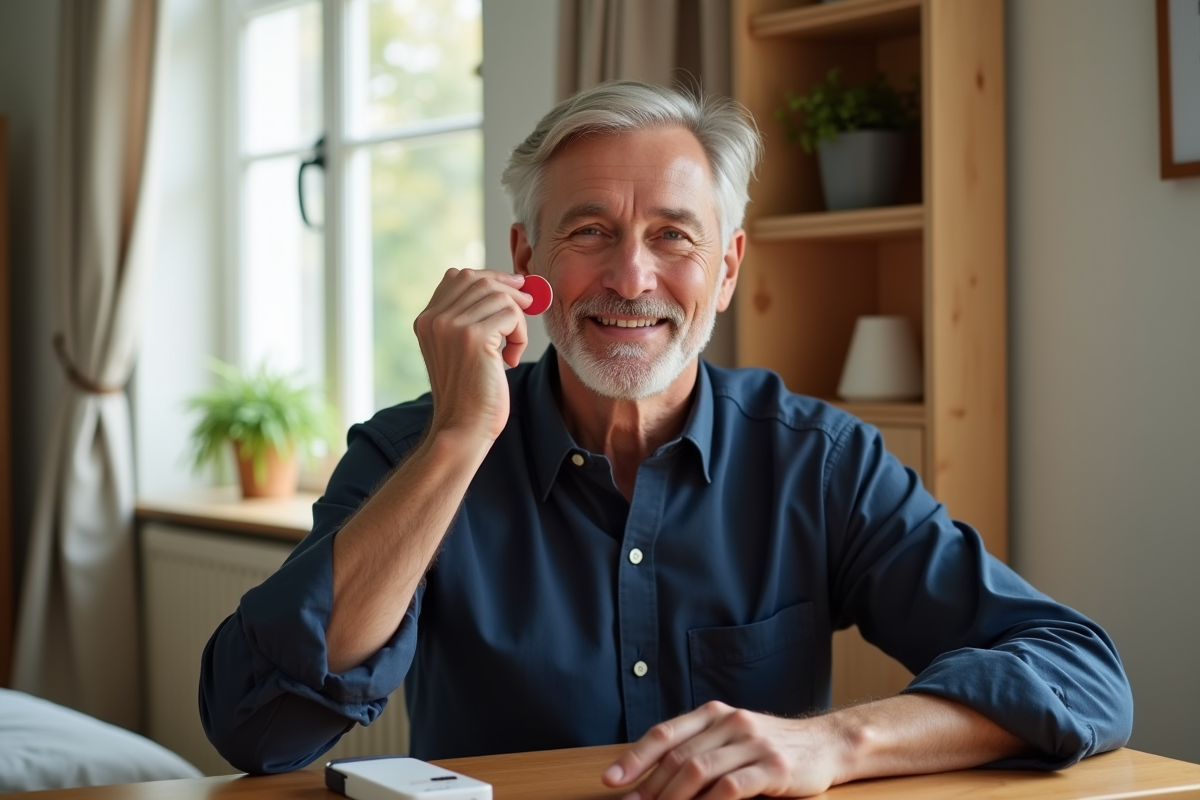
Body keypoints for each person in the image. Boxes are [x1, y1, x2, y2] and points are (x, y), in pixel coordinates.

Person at [200, 80, 1132, 799]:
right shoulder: (410, 450)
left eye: (674, 235)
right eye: (591, 230)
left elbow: (1079, 674)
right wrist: (459, 440)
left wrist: (834, 742)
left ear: (725, 270)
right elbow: (260, 727)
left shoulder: (819, 461)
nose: (631, 275)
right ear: (528, 264)